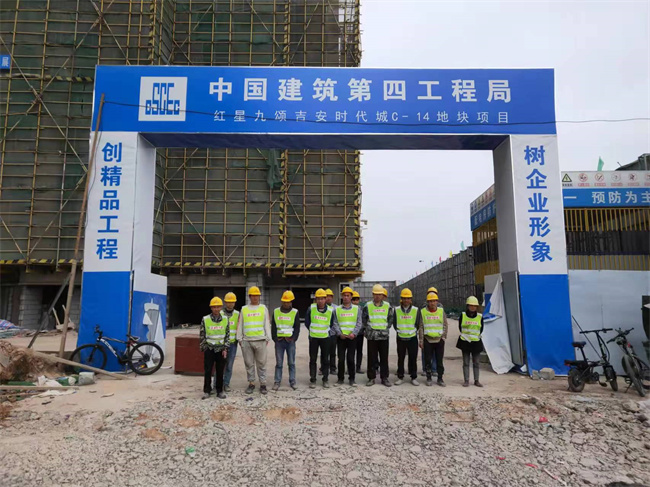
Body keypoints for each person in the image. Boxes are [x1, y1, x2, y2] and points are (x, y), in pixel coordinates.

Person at [237, 286, 272, 395]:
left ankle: (263, 384)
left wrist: (267, 337)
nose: (255, 297)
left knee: (261, 363)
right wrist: (240, 338)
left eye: (257, 295)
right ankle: (251, 383)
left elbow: (267, 323)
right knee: (249, 364)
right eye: (253, 295)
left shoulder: (263, 308)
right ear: (249, 296)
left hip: (260, 340)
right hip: (247, 340)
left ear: (259, 297)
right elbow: (240, 324)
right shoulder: (244, 309)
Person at [305, 288, 340, 389]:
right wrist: (313, 330)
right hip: (313, 338)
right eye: (318, 299)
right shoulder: (311, 308)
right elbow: (307, 322)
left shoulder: (330, 310)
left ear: (325, 299)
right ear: (315, 299)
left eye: (322, 299)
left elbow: (331, 323)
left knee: (325, 359)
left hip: (325, 338)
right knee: (313, 359)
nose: (320, 301)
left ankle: (325, 379)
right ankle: (313, 379)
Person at [362, 284, 394, 387]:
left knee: (384, 358)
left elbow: (390, 319)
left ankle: (384, 378)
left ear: (382, 295)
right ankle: (371, 378)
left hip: (384, 337)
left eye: (379, 294)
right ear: (373, 294)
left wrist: (385, 328)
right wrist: (368, 330)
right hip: (372, 337)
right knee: (371, 358)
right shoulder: (367, 306)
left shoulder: (387, 306)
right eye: (376, 294)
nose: (377, 296)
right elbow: (364, 319)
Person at [200, 297, 229, 399]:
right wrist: (203, 347)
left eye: (218, 307)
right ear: (211, 308)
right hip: (209, 348)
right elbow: (202, 334)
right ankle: (207, 390)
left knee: (220, 371)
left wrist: (225, 348)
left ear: (221, 307)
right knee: (208, 370)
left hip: (221, 349)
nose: (216, 309)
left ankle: (219, 391)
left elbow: (227, 335)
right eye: (214, 307)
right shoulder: (205, 319)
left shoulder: (225, 319)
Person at [271, 290, 300, 391]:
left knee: (291, 363)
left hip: (290, 341)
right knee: (279, 363)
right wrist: (275, 339)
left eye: (288, 302)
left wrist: (294, 339)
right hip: (279, 341)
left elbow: (297, 327)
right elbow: (273, 326)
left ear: (291, 302)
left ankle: (292, 381)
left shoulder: (295, 312)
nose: (286, 304)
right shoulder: (276, 311)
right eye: (284, 302)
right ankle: (277, 381)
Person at [335, 287, 363, 386]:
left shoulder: (357, 309)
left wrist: (354, 333)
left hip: (352, 338)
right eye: (344, 295)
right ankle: (340, 379)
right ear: (342, 296)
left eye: (348, 295)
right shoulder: (337, 309)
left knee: (351, 359)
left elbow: (359, 323)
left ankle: (352, 379)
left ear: (351, 297)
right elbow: (335, 323)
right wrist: (339, 333)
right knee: (341, 359)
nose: (346, 297)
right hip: (341, 338)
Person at [419, 292, 448, 387]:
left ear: (437, 302)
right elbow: (421, 327)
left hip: (439, 340)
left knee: (439, 361)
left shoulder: (441, 311)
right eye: (430, 301)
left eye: (434, 301)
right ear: (427, 302)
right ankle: (428, 377)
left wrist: (443, 336)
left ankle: (440, 378)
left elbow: (445, 324)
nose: (432, 303)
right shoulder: (423, 312)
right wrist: (421, 340)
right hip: (428, 340)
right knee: (428, 360)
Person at [392, 288, 420, 386]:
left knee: (413, 358)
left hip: (412, 338)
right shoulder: (396, 310)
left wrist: (411, 331)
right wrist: (400, 331)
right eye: (404, 298)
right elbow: (394, 323)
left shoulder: (416, 310)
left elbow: (418, 323)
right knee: (401, 358)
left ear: (411, 299)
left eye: (408, 298)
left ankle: (413, 377)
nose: (406, 300)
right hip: (401, 338)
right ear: (401, 299)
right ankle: (400, 376)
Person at [456, 296, 485, 387]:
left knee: (476, 363)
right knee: (466, 362)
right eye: (471, 305)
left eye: (474, 306)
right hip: (465, 342)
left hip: (476, 342)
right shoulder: (463, 315)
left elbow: (481, 329)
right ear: (468, 306)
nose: (473, 307)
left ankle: (476, 380)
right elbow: (460, 327)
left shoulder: (480, 316)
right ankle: (466, 380)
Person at [221, 292, 239, 393]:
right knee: (220, 365)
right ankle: (217, 384)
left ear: (234, 303)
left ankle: (226, 384)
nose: (230, 304)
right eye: (228, 302)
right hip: (221, 344)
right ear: (225, 302)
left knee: (229, 365)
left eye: (232, 302)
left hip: (232, 344)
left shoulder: (237, 314)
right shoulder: (220, 314)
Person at [420, 286, 440, 377]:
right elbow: (421, 323)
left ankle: (434, 369)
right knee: (425, 354)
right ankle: (425, 369)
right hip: (426, 335)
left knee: (435, 354)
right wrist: (421, 338)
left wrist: (443, 336)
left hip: (437, 335)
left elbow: (444, 322)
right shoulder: (423, 307)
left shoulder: (440, 307)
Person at [351, 291, 365, 373]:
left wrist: (363, 330)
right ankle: (351, 367)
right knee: (351, 352)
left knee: (359, 351)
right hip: (351, 334)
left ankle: (358, 367)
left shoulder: (362, 309)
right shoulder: (349, 309)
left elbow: (364, 320)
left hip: (360, 334)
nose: (355, 302)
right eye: (354, 300)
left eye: (357, 300)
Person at [325, 288, 338, 375]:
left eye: (330, 296)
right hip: (323, 334)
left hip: (333, 333)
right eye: (327, 296)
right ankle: (323, 368)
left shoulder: (336, 308)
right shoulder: (321, 308)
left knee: (333, 352)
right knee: (324, 352)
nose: (328, 298)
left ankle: (332, 368)